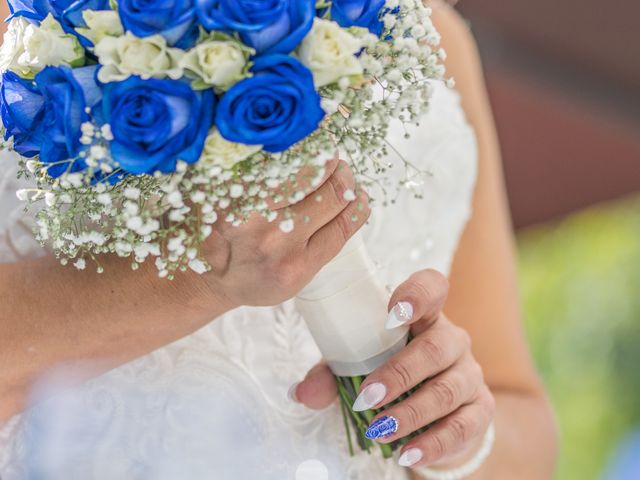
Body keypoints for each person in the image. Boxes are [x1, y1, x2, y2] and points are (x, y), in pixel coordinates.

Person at [0, 2, 557, 478]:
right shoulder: (36, 26)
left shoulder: (423, 30)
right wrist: (190, 277)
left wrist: (451, 425)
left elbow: (524, 423)